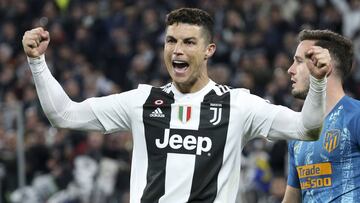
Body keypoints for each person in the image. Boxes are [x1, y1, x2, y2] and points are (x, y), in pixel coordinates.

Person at [22, 8, 329, 203]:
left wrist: (317, 83)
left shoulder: (238, 105)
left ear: (209, 49)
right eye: (171, 41)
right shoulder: (142, 101)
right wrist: (37, 62)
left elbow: (307, 128)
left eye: (188, 42)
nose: (177, 50)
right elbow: (63, 114)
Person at [282, 29, 360, 202]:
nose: (290, 70)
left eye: (299, 62)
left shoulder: (356, 116)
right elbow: (292, 199)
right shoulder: (299, 131)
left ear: (324, 65)